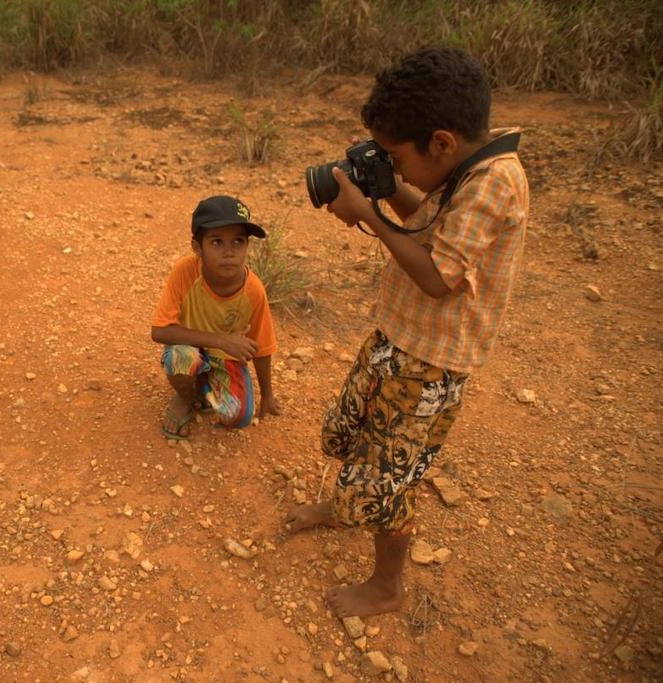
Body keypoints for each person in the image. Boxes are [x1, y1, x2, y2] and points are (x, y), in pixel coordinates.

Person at [285, 47, 529, 618]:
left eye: (397, 155)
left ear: (441, 142)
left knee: (387, 475)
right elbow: (427, 221)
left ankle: (387, 587)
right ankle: (343, 505)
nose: (393, 165)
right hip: (398, 341)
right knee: (353, 430)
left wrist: (367, 215)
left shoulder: (496, 183)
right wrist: (388, 189)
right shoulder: (467, 167)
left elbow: (440, 276)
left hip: (430, 364)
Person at [151, 195, 281, 440]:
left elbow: (263, 348)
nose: (229, 252)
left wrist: (268, 394)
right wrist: (222, 340)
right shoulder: (185, 271)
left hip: (224, 358)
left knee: (238, 415)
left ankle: (203, 386)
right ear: (197, 247)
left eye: (238, 241)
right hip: (188, 348)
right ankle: (186, 397)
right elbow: (159, 330)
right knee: (180, 357)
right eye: (217, 242)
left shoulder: (253, 290)